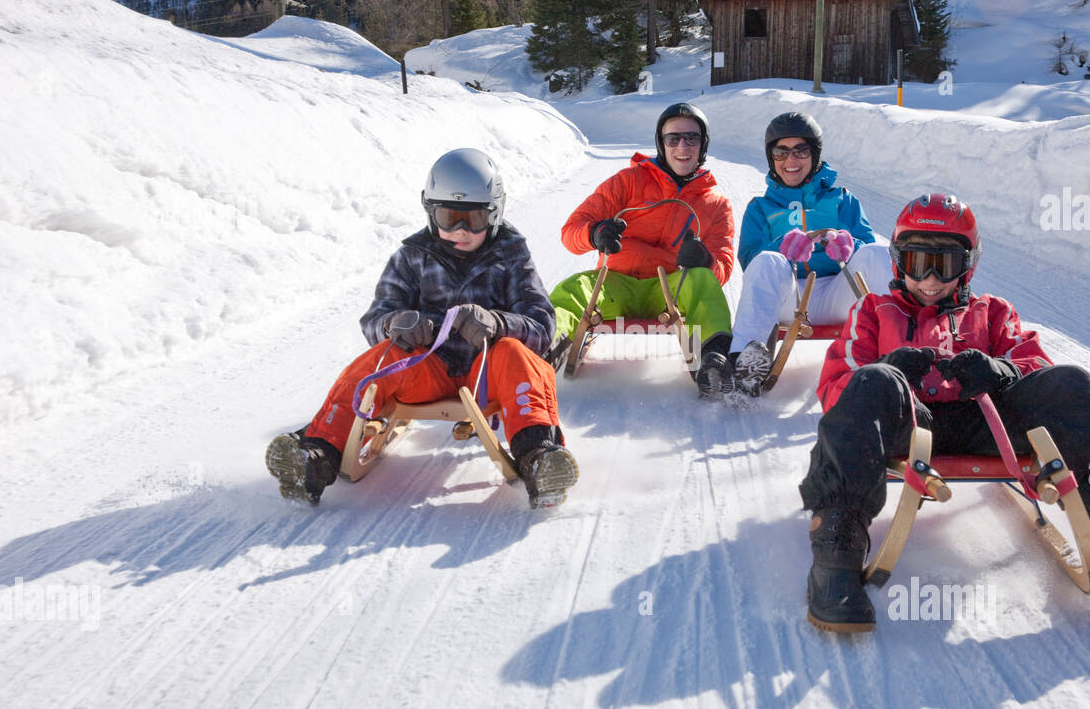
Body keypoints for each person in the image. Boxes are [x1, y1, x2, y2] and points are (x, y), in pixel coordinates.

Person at [798, 192, 1090, 633]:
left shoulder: (993, 313)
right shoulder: (872, 311)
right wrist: (889, 372)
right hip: (907, 424)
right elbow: (836, 393)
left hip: (987, 423)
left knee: (1070, 381)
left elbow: (1038, 369)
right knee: (869, 381)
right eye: (916, 263)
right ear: (897, 263)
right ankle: (835, 557)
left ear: (967, 265)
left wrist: (1001, 371)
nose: (929, 280)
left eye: (944, 265)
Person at [265, 148, 578, 509]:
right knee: (383, 357)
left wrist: (498, 322)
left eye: (473, 219)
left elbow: (542, 325)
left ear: (494, 214)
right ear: (430, 213)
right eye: (448, 218)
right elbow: (375, 319)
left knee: (518, 355)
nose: (460, 230)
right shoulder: (412, 256)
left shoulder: (511, 256)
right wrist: (395, 324)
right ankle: (315, 454)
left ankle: (539, 456)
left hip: (489, 375)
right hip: (429, 372)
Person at [549, 102, 738, 398]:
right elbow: (570, 231)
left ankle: (715, 360)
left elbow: (722, 268)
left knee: (702, 282)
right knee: (576, 288)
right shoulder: (628, 182)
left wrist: (705, 259)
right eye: (673, 138)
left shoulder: (715, 204)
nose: (682, 146)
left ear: (703, 145)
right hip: (616, 281)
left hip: (670, 289)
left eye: (692, 138)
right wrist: (595, 233)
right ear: (661, 144)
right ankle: (543, 349)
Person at [729, 112, 893, 395]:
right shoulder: (760, 208)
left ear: (814, 155)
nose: (790, 161)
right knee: (768, 260)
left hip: (836, 294)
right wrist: (782, 246)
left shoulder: (842, 199)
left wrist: (848, 243)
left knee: (877, 253)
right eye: (781, 152)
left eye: (800, 150)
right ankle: (745, 363)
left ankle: (900, 348)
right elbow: (750, 260)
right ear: (772, 158)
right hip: (788, 296)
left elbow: (868, 251)